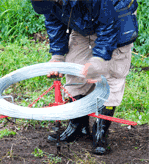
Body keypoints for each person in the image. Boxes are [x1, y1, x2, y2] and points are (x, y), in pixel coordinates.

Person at [31, 0, 138, 155]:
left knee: (112, 73)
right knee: (74, 66)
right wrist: (57, 55)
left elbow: (109, 24)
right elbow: (53, 19)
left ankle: (101, 129)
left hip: (116, 17)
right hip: (84, 19)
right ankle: (78, 126)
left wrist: (99, 59)